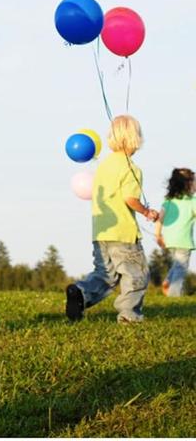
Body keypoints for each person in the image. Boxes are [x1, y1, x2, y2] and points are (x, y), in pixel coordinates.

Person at [65, 115, 159, 324]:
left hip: (101, 232)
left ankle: (80, 292)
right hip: (123, 233)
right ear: (136, 138)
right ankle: (129, 314)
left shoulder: (104, 166)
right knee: (136, 274)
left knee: (105, 275)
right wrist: (146, 212)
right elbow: (130, 199)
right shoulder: (132, 168)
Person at [155, 167, 195, 297]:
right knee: (181, 267)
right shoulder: (192, 202)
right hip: (183, 241)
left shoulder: (168, 201)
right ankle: (173, 295)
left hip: (169, 240)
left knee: (178, 264)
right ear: (188, 184)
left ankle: (168, 281)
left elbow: (159, 220)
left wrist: (158, 235)